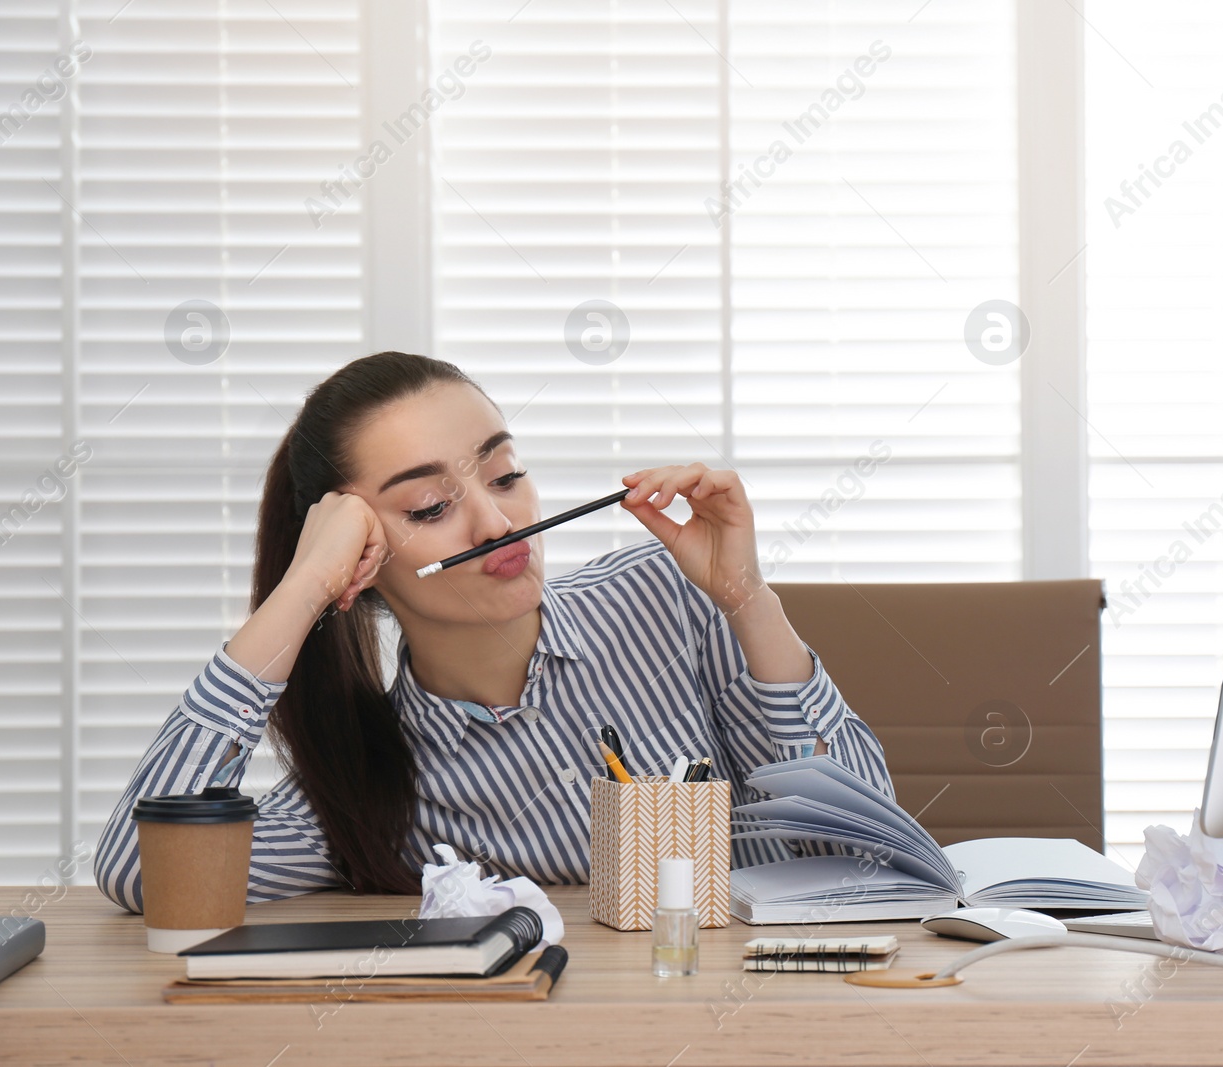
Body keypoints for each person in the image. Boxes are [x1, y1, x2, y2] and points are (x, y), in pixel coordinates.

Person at [93, 352, 892, 910]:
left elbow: (868, 852)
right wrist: (301, 591)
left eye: (506, 474)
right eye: (430, 508)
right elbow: (142, 871)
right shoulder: (362, 793)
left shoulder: (666, 596)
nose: (497, 521)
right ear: (361, 557)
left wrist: (748, 601)